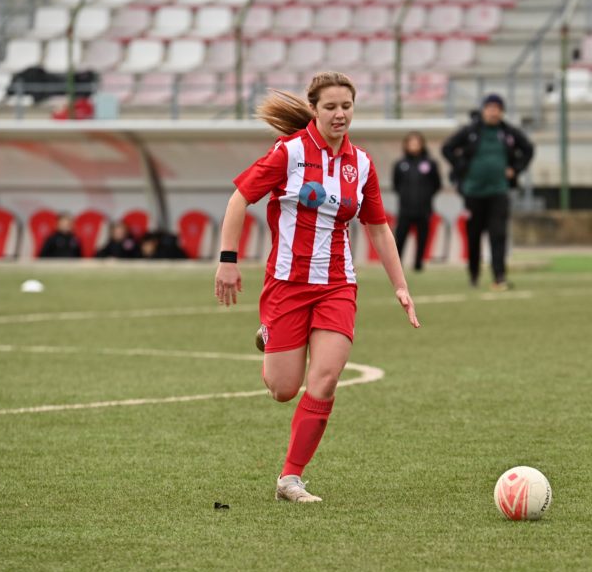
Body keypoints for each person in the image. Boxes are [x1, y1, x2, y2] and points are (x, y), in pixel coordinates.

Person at [214, 71, 420, 503]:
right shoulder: (287, 153)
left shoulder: (361, 164)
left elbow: (379, 228)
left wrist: (400, 286)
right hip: (287, 285)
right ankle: (271, 333)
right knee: (283, 389)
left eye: (346, 106)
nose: (340, 114)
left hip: (337, 286)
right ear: (314, 109)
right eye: (330, 107)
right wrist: (227, 262)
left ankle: (291, 478)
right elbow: (238, 199)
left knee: (324, 380)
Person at [441, 93, 533, 290]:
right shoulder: (471, 131)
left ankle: (499, 277)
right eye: (490, 108)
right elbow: (447, 148)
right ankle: (473, 275)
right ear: (483, 110)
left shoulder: (508, 133)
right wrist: (462, 167)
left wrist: (515, 169)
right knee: (474, 236)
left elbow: (528, 149)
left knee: (498, 234)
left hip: (499, 191)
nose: (493, 112)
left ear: (502, 112)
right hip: (473, 192)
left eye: (497, 108)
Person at [392, 131, 441, 271]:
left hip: (424, 209)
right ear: (406, 145)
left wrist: (426, 196)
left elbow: (437, 184)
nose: (414, 146)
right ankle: (397, 264)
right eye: (411, 143)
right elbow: (396, 184)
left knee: (422, 237)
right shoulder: (400, 164)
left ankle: (418, 263)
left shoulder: (430, 164)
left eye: (417, 143)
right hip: (405, 209)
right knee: (400, 237)